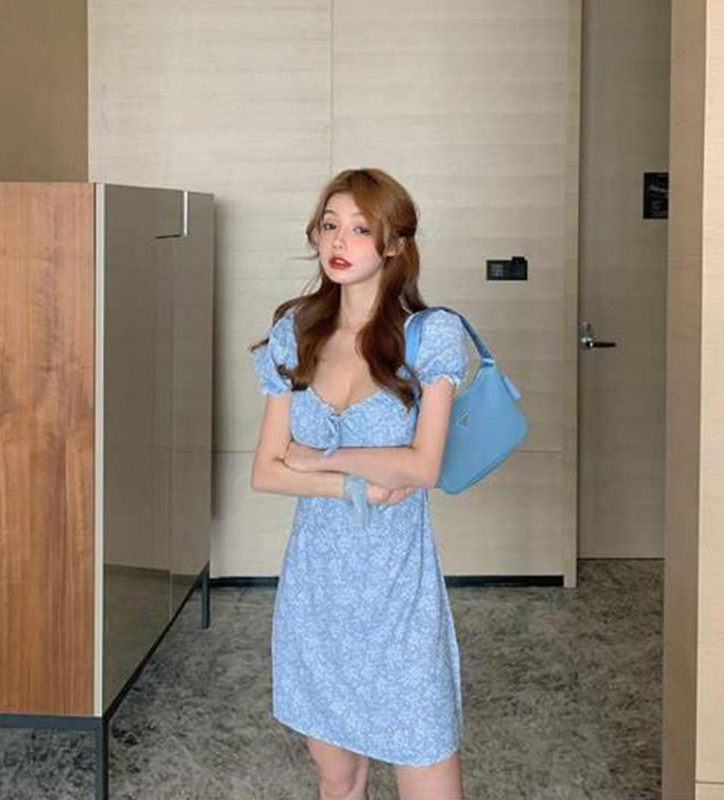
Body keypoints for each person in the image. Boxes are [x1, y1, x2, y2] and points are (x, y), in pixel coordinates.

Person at [249, 167, 470, 800]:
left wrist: (317, 458)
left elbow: (422, 467)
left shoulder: (430, 336)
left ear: (395, 244)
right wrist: (353, 485)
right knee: (338, 781)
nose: (339, 242)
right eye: (329, 226)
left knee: (428, 769)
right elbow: (265, 471)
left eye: (360, 228)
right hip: (316, 591)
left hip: (398, 592)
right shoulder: (297, 331)